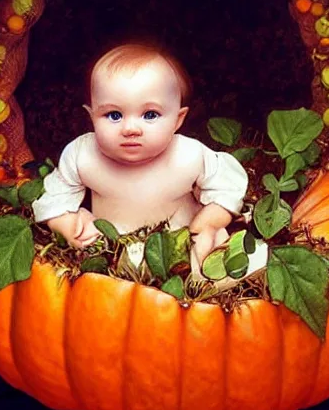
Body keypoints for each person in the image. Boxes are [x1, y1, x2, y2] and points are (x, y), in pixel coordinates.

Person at [32, 43, 248, 275]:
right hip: (113, 255)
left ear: (178, 119)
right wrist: (67, 223)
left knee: (214, 262)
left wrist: (209, 223)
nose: (131, 128)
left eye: (150, 115)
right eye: (113, 115)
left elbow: (228, 186)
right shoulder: (83, 156)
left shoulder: (188, 156)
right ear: (92, 116)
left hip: (179, 253)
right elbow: (54, 197)